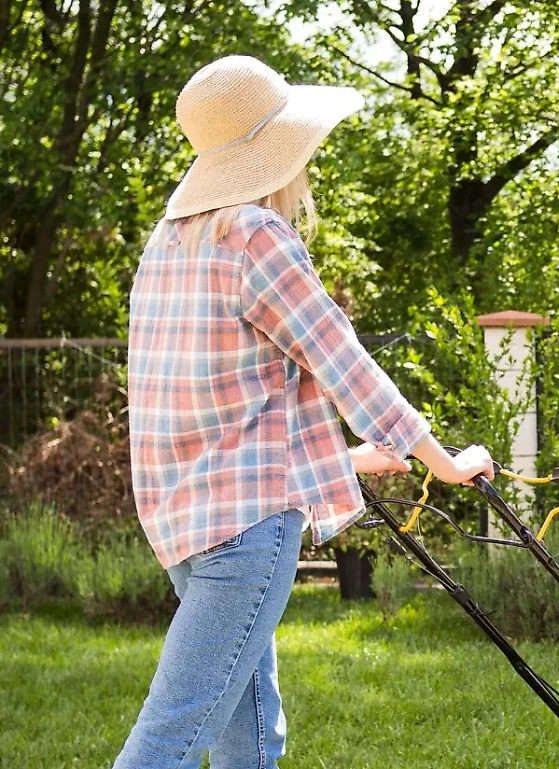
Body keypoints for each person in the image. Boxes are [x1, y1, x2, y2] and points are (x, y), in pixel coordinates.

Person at [113, 55, 494, 769]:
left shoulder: (166, 248)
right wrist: (443, 461)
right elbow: (344, 362)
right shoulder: (256, 236)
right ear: (281, 153)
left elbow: (207, 412)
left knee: (250, 733)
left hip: (184, 532)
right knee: (169, 737)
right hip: (245, 539)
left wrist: (351, 459)